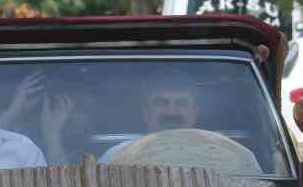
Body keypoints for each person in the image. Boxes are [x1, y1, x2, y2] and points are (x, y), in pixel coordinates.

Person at [41, 69, 199, 164]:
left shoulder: (221, 153)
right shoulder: (117, 157)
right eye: (161, 102)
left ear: (194, 112)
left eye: (181, 103)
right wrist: (53, 136)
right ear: (145, 111)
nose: (171, 111)